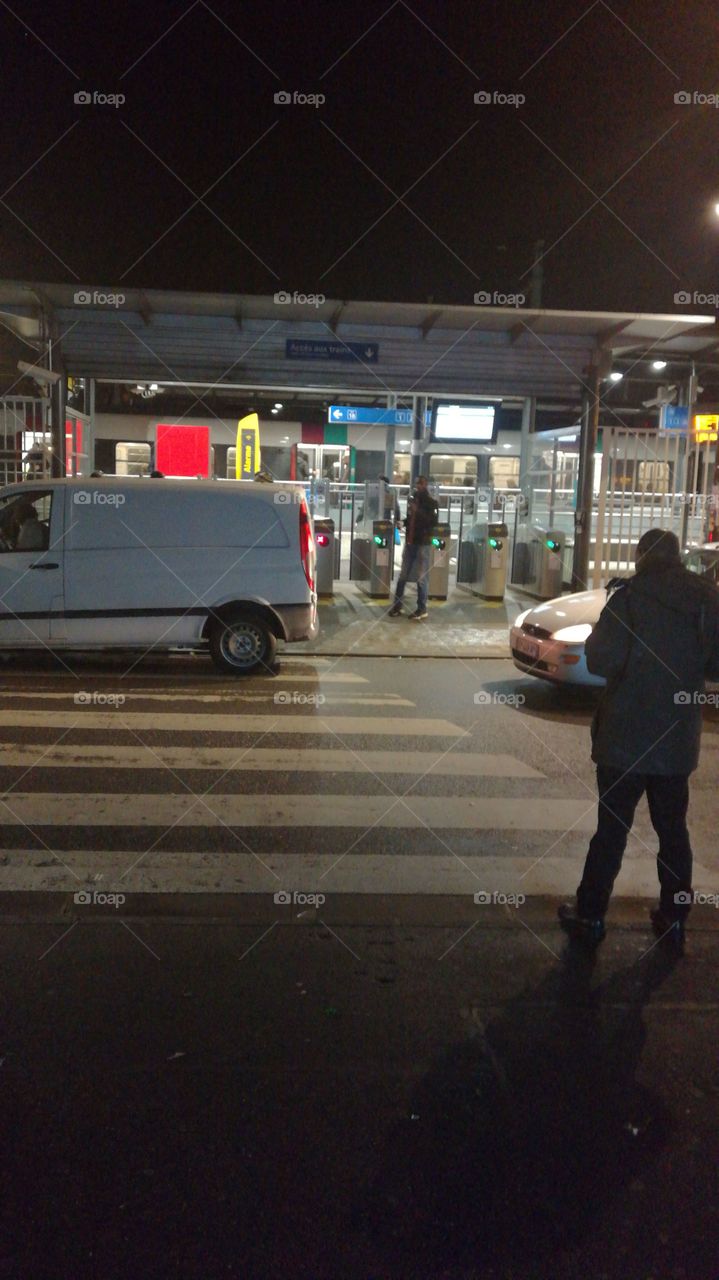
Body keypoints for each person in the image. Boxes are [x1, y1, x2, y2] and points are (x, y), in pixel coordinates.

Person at [559, 528, 719, 947]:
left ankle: (590, 915)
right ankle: (675, 915)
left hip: (624, 741)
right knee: (673, 832)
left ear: (640, 558)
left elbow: (599, 659)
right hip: (675, 741)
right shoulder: (705, 600)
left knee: (610, 831)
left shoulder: (627, 599)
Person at [388, 475, 439, 621]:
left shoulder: (431, 503)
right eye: (417, 484)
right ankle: (397, 606)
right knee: (402, 576)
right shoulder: (413, 500)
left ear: (426, 485)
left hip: (423, 544)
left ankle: (422, 608)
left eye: (421, 484)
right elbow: (411, 519)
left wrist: (418, 511)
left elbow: (432, 523)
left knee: (421, 578)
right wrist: (403, 523)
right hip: (410, 543)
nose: (418, 486)